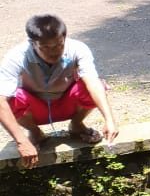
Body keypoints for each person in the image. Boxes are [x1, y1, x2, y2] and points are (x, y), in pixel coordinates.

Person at [0, 15, 120, 169]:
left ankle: (77, 124)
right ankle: (35, 132)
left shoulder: (77, 49)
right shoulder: (16, 57)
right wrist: (21, 141)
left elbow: (93, 83)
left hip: (66, 102)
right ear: (32, 43)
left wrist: (109, 120)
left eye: (58, 45)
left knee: (99, 85)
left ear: (64, 38)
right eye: (45, 47)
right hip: (34, 109)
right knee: (12, 99)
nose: (54, 52)